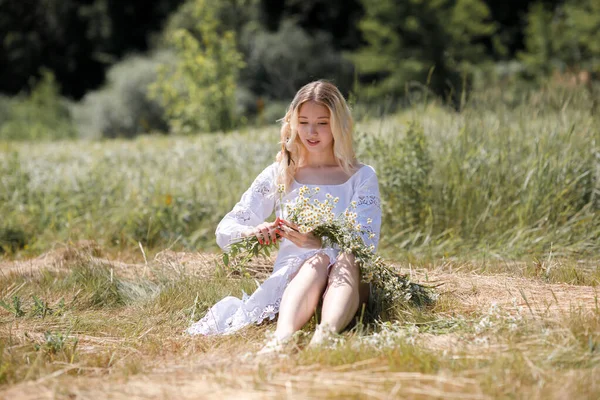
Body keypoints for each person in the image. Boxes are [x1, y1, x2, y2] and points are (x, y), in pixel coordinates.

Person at [187, 80, 381, 349]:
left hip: (346, 284)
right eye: (303, 122)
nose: (311, 132)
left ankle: (324, 338)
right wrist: (251, 232)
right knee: (316, 261)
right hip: (297, 283)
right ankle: (281, 339)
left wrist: (320, 243)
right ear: (293, 123)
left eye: (322, 123)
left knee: (340, 256)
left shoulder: (361, 176)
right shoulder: (281, 173)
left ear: (339, 124)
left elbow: (365, 241)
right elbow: (226, 228)